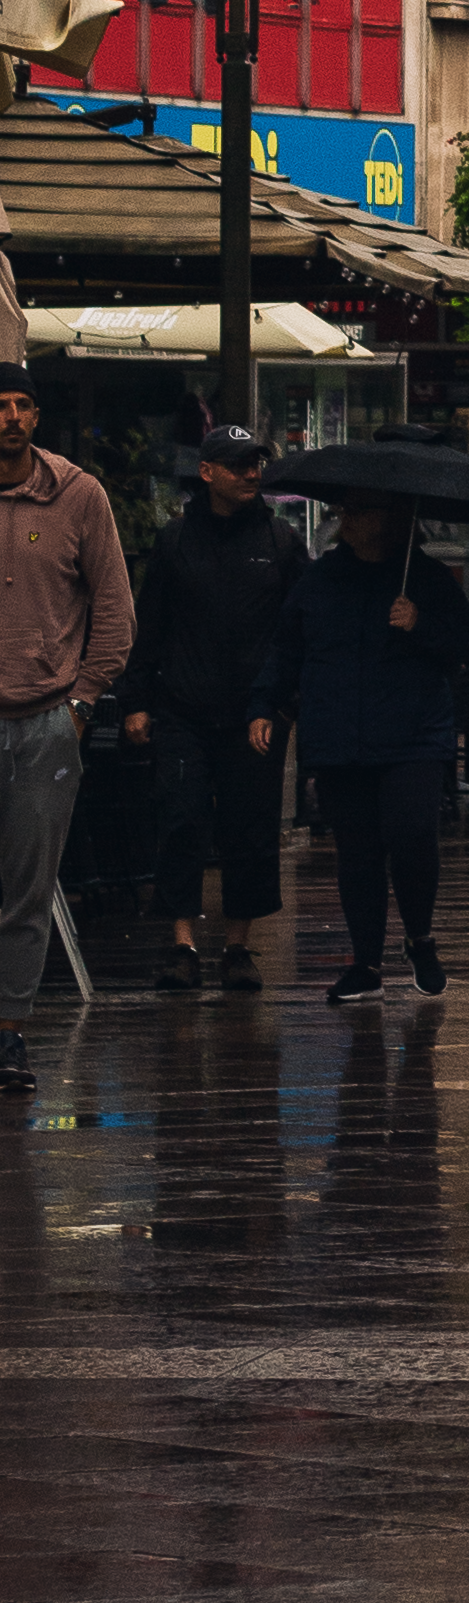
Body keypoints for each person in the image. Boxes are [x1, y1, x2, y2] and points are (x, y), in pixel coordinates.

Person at [250, 492, 469, 1002]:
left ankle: (420, 939)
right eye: (343, 511)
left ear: (392, 518)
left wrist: (421, 625)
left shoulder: (427, 580)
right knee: (357, 852)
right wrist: (265, 703)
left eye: (359, 510)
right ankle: (366, 962)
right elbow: (288, 647)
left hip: (412, 734)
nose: (345, 519)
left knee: (413, 835)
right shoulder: (320, 579)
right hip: (338, 735)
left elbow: (464, 647)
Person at [119, 421, 298, 991]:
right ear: (207, 472)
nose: (251, 474)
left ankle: (239, 946)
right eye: (239, 464)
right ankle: (182, 943)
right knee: (181, 819)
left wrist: (283, 701)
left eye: (256, 464)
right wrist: (137, 700)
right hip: (182, 710)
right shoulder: (175, 541)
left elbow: (300, 630)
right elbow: (150, 626)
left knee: (250, 828)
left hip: (255, 714)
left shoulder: (280, 542)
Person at [0, 355, 135, 1097]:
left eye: (22, 404)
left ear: (37, 417)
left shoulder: (78, 496)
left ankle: (10, 1033)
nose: (11, 416)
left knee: (28, 886)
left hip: (46, 720)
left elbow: (115, 615)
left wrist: (80, 704)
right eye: (1, 404)